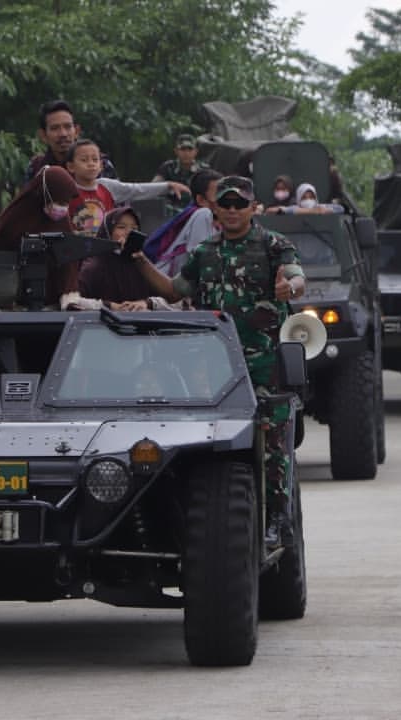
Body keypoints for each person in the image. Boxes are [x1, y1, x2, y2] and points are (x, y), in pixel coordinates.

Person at [133, 175, 307, 544]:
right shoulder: (204, 252)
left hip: (263, 362)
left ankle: (279, 519)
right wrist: (138, 260)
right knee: (206, 441)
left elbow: (296, 277)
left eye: (238, 204)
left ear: (253, 208)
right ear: (214, 207)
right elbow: (173, 289)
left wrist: (288, 287)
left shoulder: (274, 245)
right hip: (213, 365)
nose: (231, 210)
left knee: (274, 442)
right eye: (224, 203)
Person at [0, 165, 83, 309]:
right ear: (44, 194)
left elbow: (68, 255)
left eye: (66, 203)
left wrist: (69, 294)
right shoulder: (14, 217)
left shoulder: (61, 219)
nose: (62, 208)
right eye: (59, 202)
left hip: (53, 296)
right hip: (14, 290)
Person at [65, 139, 188, 236]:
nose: (91, 163)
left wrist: (167, 186)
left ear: (101, 166)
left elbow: (136, 190)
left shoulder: (107, 186)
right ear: (71, 167)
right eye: (84, 160)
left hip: (105, 250)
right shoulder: (66, 190)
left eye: (95, 159)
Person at [78, 207, 185, 311]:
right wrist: (110, 306)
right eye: (121, 227)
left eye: (134, 229)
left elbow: (177, 301)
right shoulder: (93, 267)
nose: (129, 232)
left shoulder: (142, 264)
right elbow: (71, 302)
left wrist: (147, 303)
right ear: (107, 232)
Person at [145, 168, 222, 276]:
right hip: (170, 285)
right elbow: (201, 259)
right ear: (201, 200)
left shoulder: (207, 217)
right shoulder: (203, 214)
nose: (224, 199)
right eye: (218, 195)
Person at [25, 99, 117, 183]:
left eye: (68, 127)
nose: (63, 134)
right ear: (43, 135)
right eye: (55, 128)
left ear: (77, 131)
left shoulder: (99, 163)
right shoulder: (36, 167)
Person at [152, 134, 209, 210]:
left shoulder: (204, 170)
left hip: (195, 210)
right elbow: (154, 187)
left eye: (190, 149)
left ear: (196, 151)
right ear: (176, 151)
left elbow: (210, 194)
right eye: (183, 149)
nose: (186, 153)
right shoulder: (167, 167)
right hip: (170, 210)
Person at [266, 181, 345, 216]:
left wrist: (325, 210)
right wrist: (311, 211)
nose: (308, 200)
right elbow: (269, 211)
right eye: (304, 198)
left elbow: (340, 209)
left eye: (311, 197)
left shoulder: (321, 207)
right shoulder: (294, 208)